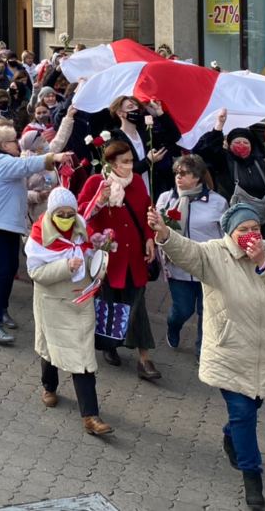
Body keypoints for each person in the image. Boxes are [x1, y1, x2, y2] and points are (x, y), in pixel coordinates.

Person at [147, 201, 265, 510]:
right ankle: (252, 478)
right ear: (231, 232)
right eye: (243, 229)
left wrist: (262, 263)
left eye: (255, 228)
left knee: (252, 406)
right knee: (244, 413)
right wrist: (164, 235)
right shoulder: (215, 253)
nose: (251, 234)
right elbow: (188, 252)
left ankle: (231, 435)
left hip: (264, 351)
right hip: (229, 350)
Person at [0, 124, 68, 346]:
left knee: (9, 269)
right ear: (4, 145)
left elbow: (16, 184)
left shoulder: (1, 162)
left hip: (4, 226)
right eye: (14, 140)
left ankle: (0, 310)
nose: (18, 143)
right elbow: (26, 165)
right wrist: (53, 156)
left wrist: (37, 195)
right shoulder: (0, 161)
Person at [25, 187, 112, 437]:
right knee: (51, 349)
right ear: (51, 213)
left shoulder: (81, 230)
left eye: (70, 213)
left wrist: (98, 267)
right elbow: (36, 274)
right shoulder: (39, 238)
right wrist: (64, 266)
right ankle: (49, 386)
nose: (66, 217)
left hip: (80, 302)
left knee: (83, 359)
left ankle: (90, 416)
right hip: (52, 302)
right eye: (60, 213)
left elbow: (89, 259)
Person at [80, 141, 159, 380]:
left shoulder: (136, 182)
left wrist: (149, 238)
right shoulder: (96, 182)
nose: (130, 166)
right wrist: (100, 200)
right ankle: (109, 345)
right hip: (108, 256)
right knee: (110, 303)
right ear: (111, 163)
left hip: (134, 255)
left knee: (137, 305)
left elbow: (147, 210)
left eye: (131, 161)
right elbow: (81, 213)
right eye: (124, 162)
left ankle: (144, 359)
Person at [154, 154, 227, 356]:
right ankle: (173, 326)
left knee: (207, 312)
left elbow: (225, 235)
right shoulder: (166, 199)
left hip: (208, 266)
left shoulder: (218, 202)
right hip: (179, 267)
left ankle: (201, 351)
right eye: (177, 172)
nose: (179, 177)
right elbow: (156, 231)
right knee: (183, 309)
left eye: (184, 173)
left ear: (197, 177)